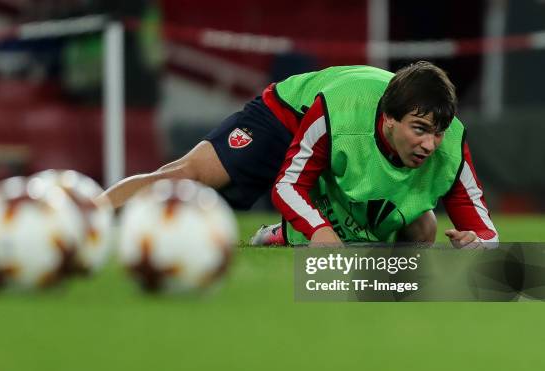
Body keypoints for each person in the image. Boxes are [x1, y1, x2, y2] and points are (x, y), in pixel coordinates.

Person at [100, 61, 498, 248]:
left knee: (424, 228)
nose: (431, 144)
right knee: (189, 177)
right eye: (420, 130)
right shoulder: (340, 113)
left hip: (340, 145)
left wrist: (479, 244)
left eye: (438, 132)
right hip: (289, 117)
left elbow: (485, 231)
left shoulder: (450, 146)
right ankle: (87, 214)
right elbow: (289, 183)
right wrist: (320, 230)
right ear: (389, 121)